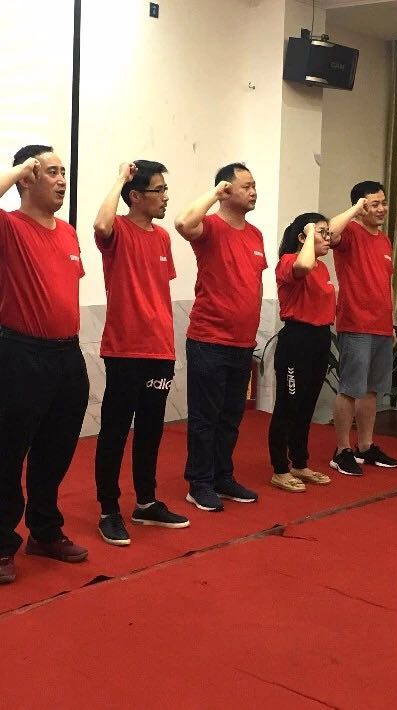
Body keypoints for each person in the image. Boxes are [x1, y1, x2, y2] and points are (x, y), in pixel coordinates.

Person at [0, 145, 90, 584]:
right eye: (51, 172)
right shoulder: (9, 227)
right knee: (12, 449)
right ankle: (2, 544)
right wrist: (21, 166)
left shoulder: (69, 232)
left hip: (68, 355)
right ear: (27, 179)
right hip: (23, 355)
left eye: (63, 172)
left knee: (56, 449)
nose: (62, 180)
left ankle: (44, 530)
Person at [92, 160, 190, 546]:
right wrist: (119, 176)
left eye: (166, 189)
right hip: (124, 349)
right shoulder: (116, 230)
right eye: (158, 190)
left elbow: (157, 290)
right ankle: (108, 510)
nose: (165, 197)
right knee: (115, 431)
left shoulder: (162, 237)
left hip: (159, 348)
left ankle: (146, 502)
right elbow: (101, 225)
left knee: (151, 429)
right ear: (135, 196)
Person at [174, 163, 268, 511]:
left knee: (231, 417)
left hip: (242, 343)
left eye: (254, 185)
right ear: (227, 190)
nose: (253, 192)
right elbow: (183, 223)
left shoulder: (255, 234)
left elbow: (255, 284)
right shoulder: (210, 227)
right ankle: (199, 483)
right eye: (246, 186)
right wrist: (214, 194)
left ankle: (222, 476)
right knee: (205, 418)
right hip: (209, 339)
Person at [327, 181, 397, 475]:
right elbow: (329, 232)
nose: (382, 208)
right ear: (360, 207)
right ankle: (342, 450)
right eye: (374, 204)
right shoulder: (350, 233)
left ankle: (366, 446)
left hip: (381, 326)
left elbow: (387, 283)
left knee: (371, 390)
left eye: (384, 202)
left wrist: (391, 322)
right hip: (355, 323)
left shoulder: (384, 240)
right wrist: (356, 209)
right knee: (350, 388)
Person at [267, 213, 336, 493]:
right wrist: (309, 230)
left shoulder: (323, 268)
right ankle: (280, 469)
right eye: (322, 232)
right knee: (288, 406)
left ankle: (299, 463)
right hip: (296, 340)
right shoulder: (289, 262)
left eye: (328, 232)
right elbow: (303, 265)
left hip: (320, 339)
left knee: (307, 405)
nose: (328, 238)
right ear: (302, 236)